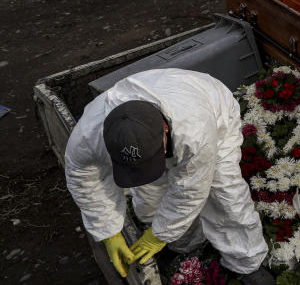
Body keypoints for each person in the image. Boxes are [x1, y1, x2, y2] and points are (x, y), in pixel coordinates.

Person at [64, 68, 273, 284]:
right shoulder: (87, 138)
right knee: (151, 198)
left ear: (164, 129)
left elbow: (191, 190)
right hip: (162, 118)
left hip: (214, 114)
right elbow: (84, 179)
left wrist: (160, 234)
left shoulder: (195, 130)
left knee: (224, 193)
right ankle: (188, 246)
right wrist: (108, 231)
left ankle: (247, 261)